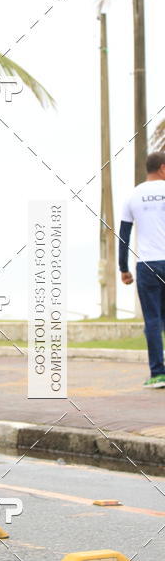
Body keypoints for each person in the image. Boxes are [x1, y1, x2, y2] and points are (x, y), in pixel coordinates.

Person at [119, 149, 165, 388]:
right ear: (163, 168)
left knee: (153, 320)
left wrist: (123, 268)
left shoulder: (133, 196)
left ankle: (158, 373)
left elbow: (124, 236)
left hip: (147, 265)